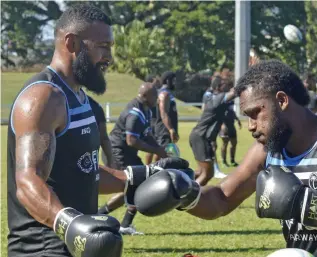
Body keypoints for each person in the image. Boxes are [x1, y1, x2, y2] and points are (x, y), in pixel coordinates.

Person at [136, 60, 317, 256]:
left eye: (255, 113)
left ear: (281, 100)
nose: (250, 125)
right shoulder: (267, 150)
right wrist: (184, 192)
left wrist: (303, 205)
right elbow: (222, 199)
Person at [6, 4, 190, 256]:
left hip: (79, 244)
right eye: (103, 46)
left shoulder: (79, 97)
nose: (109, 58)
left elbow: (83, 170)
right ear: (72, 43)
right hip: (43, 248)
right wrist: (69, 224)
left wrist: (140, 175)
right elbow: (28, 181)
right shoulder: (43, 97)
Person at [97, 83, 167, 235]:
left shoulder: (146, 110)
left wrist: (160, 150)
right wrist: (155, 150)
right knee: (135, 185)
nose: (157, 98)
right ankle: (117, 222)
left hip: (128, 153)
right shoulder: (135, 113)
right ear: (145, 96)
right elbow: (131, 140)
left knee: (136, 184)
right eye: (155, 95)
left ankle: (102, 215)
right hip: (118, 152)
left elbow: (147, 134)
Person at [189, 76, 235, 185]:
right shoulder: (218, 98)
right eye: (225, 85)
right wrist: (252, 72)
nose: (228, 87)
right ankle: (191, 198)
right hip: (201, 137)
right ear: (219, 87)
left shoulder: (215, 97)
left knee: (201, 172)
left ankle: (182, 185)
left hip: (200, 137)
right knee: (207, 174)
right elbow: (236, 91)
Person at [219, 79, 242, 167]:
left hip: (232, 125)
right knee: (225, 143)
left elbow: (231, 111)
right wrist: (221, 125)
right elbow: (219, 113)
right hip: (224, 125)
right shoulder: (222, 98)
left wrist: (237, 120)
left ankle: (232, 160)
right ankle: (224, 162)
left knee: (234, 143)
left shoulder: (231, 100)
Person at [88, 96, 115, 168]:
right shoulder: (95, 106)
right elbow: (103, 137)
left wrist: (110, 160)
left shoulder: (95, 106)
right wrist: (110, 161)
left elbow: (103, 137)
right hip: (90, 165)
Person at [144, 75, 162, 165]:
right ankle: (148, 167)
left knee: (158, 146)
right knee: (151, 147)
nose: (158, 80)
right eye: (156, 79)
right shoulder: (148, 93)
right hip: (152, 121)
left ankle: (155, 166)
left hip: (157, 121)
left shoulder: (157, 92)